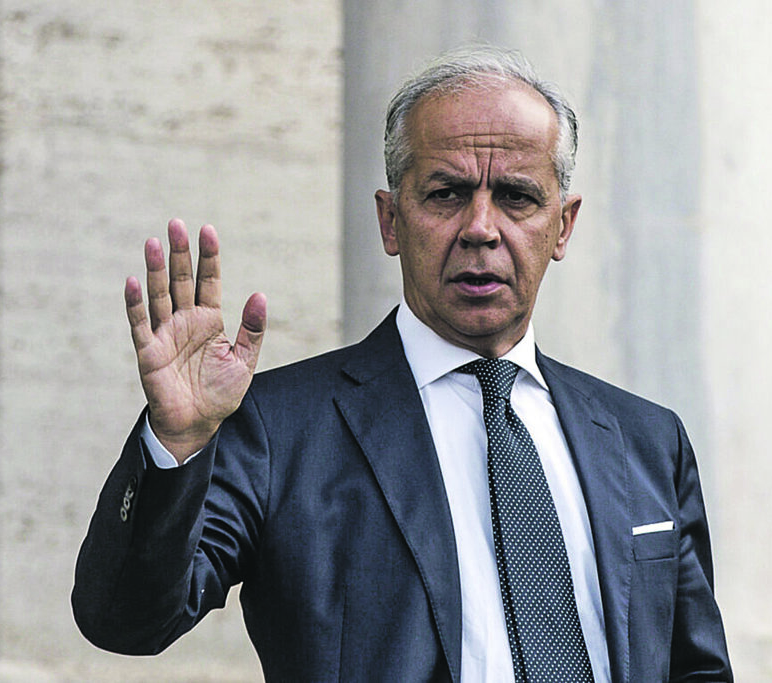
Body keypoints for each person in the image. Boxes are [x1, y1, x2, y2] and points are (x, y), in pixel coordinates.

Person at [72, 46, 732, 682]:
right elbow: (126, 620)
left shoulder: (646, 440)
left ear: (562, 226)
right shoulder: (279, 428)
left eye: (516, 197)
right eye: (446, 193)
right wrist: (179, 445)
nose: (481, 227)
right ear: (391, 222)